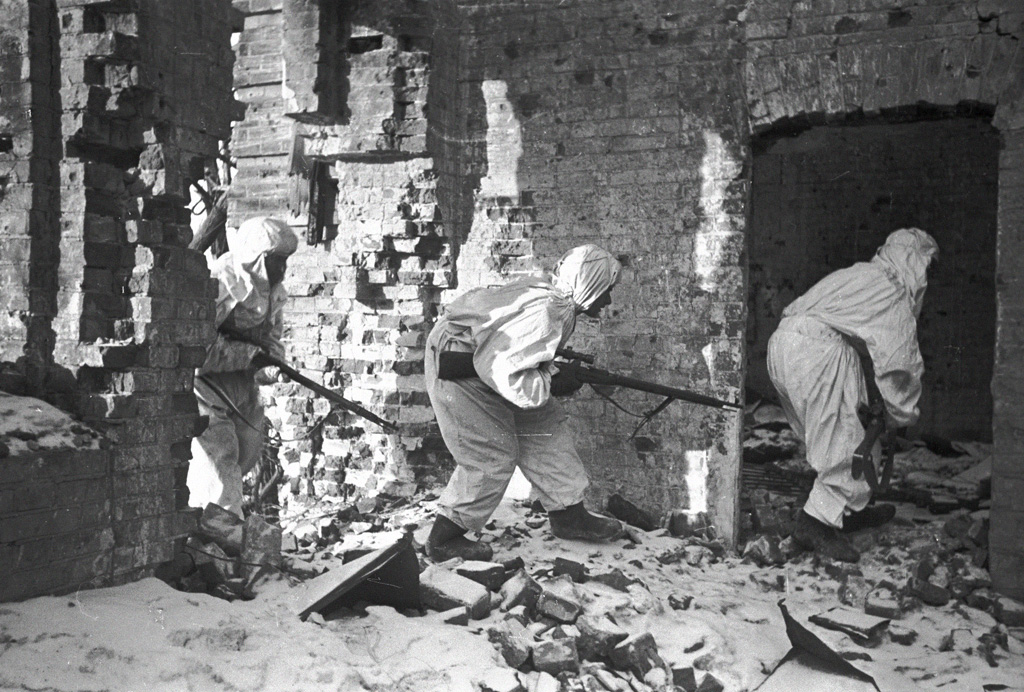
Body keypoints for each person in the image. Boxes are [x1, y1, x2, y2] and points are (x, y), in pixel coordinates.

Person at [423, 245, 625, 561]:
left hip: (483, 359)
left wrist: (553, 374)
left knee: (544, 425)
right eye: (606, 291)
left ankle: (569, 516)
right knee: (493, 454)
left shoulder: (560, 301)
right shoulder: (548, 311)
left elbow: (521, 354)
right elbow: (505, 373)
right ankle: (444, 538)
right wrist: (556, 382)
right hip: (457, 361)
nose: (609, 301)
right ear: (590, 284)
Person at [767, 228, 938, 562]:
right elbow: (899, 364)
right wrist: (900, 415)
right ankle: (814, 523)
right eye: (927, 267)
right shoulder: (892, 291)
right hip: (819, 351)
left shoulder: (862, 274)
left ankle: (847, 510)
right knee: (846, 443)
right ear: (914, 262)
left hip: (784, 346)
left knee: (837, 438)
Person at [187, 216, 298, 518]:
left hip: (240, 386)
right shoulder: (222, 280)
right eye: (277, 261)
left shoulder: (272, 290)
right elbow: (197, 347)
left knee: (245, 453)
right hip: (204, 385)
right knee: (219, 463)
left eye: (285, 261)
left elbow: (271, 338)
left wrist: (272, 366)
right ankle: (220, 538)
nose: (282, 269)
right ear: (258, 258)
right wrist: (247, 355)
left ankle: (216, 523)